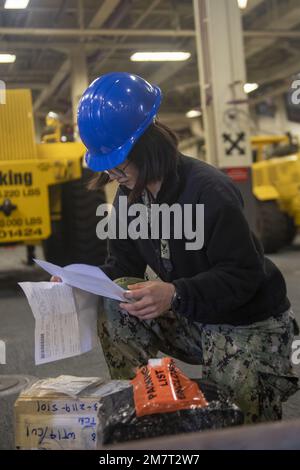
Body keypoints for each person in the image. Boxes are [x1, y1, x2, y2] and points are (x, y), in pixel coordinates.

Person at [52, 72, 298, 424]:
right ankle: (137, 410)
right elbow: (122, 265)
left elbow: (243, 276)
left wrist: (174, 293)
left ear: (146, 147)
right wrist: (79, 280)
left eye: (117, 165)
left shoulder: (209, 191)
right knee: (116, 299)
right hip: (196, 316)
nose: (112, 177)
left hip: (250, 324)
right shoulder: (130, 195)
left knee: (234, 426)